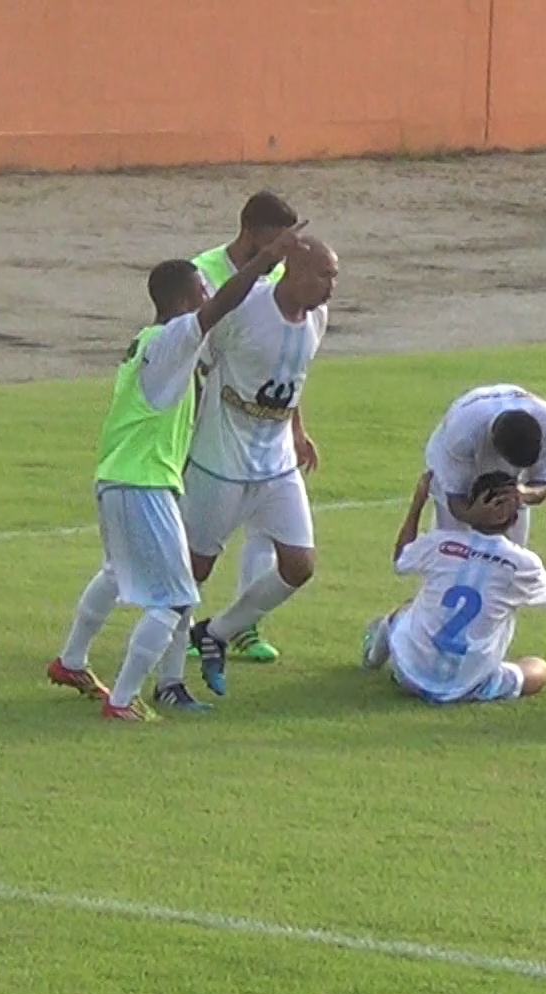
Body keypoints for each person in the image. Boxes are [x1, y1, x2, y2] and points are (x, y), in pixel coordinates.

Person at [46, 224, 304, 721]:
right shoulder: (174, 338)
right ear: (186, 299)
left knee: (118, 572)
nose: (208, 294)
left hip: (117, 475)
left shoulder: (146, 341)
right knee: (175, 597)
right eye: (201, 290)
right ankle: (123, 701)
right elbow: (221, 306)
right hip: (143, 483)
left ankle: (71, 660)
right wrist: (263, 259)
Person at [183, 235, 338, 696]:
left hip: (277, 464)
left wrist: (296, 429)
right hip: (220, 460)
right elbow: (199, 362)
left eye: (335, 277)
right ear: (292, 271)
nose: (331, 287)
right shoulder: (244, 311)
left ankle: (216, 633)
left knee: (299, 566)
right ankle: (167, 674)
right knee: (194, 569)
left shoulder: (318, 318)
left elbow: (293, 375)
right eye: (323, 276)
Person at [361, 470, 546, 704]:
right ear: (516, 517)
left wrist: (418, 502)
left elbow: (401, 559)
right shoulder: (521, 563)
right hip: (468, 684)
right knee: (539, 669)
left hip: (408, 675)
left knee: (402, 613)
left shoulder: (443, 542)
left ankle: (373, 657)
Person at [184, 189, 299, 663]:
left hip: (263, 425)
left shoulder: (277, 277)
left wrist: (295, 425)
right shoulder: (203, 272)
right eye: (271, 246)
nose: (275, 260)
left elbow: (283, 360)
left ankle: (243, 626)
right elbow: (186, 350)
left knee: (267, 528)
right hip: (207, 421)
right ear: (247, 231)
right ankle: (180, 628)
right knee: (196, 543)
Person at [424, 384, 546, 546]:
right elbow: (456, 501)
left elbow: (543, 483)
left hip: (493, 439)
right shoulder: (462, 436)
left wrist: (523, 493)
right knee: (453, 545)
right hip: (458, 453)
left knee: (512, 552)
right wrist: (476, 514)